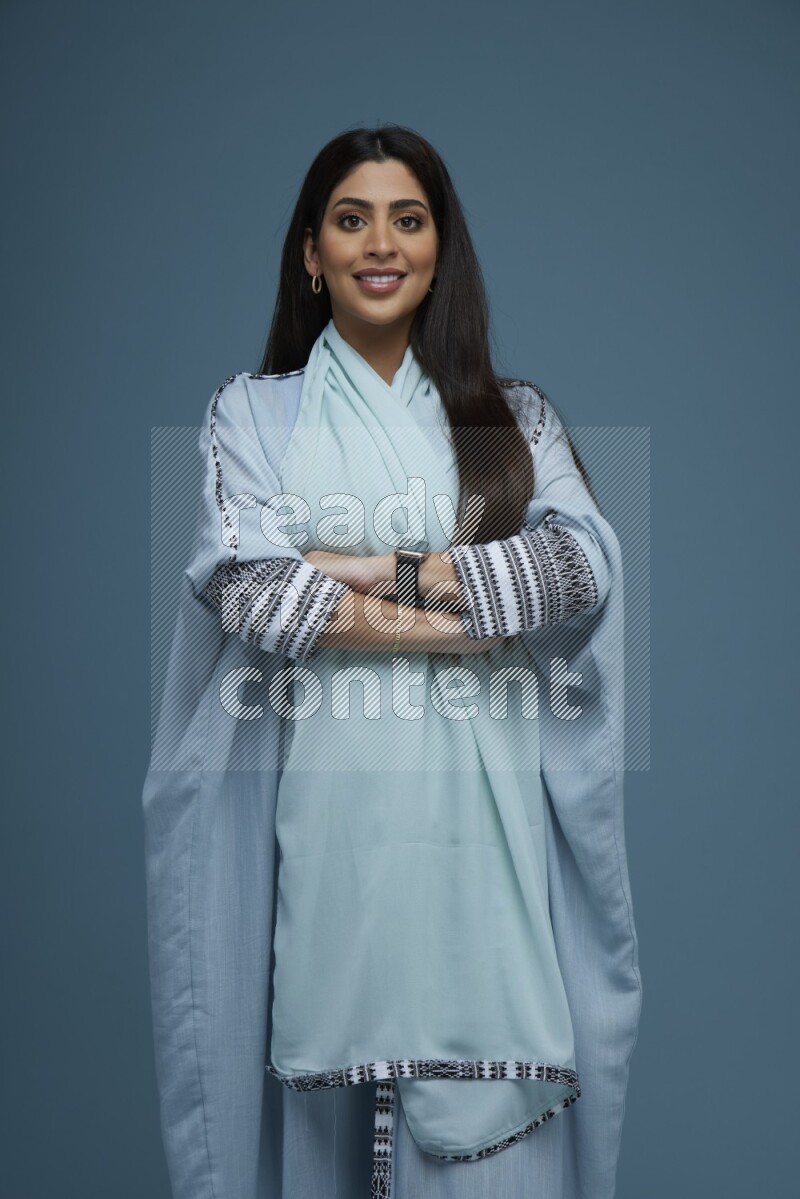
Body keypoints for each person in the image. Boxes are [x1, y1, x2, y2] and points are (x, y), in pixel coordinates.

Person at [142, 124, 643, 1199]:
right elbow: (254, 588)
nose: (381, 242)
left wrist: (364, 567)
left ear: (437, 248)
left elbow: (573, 573)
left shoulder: (513, 422)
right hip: (321, 852)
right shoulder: (255, 413)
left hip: (489, 856)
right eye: (351, 218)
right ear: (310, 254)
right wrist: (468, 603)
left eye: (407, 219)